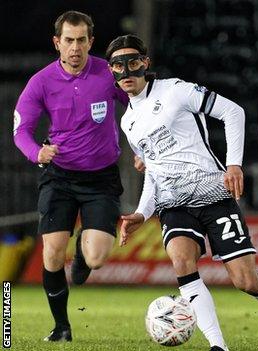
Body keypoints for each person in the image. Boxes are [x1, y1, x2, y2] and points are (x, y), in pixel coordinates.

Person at [109, 34, 258, 351]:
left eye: (133, 63)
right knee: (181, 260)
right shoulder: (129, 122)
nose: (126, 73)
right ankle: (218, 346)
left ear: (145, 63)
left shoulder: (176, 90)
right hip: (173, 204)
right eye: (118, 66)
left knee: (245, 281)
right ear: (111, 71)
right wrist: (142, 212)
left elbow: (233, 113)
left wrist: (233, 165)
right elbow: (154, 170)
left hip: (213, 194)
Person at [12, 11, 129, 342]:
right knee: (50, 253)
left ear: (91, 42)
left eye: (81, 40)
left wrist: (147, 150)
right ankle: (62, 327)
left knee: (96, 258)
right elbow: (21, 130)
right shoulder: (41, 82)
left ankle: (83, 249)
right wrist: (37, 152)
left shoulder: (108, 74)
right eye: (68, 40)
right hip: (59, 177)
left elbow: (138, 104)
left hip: (102, 179)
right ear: (57, 43)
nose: (75, 47)